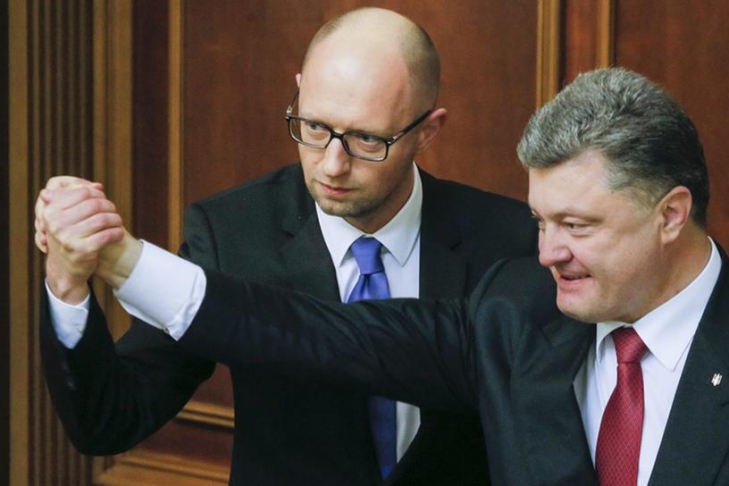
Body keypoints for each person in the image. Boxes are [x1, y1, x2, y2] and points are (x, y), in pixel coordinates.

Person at [39, 66, 729, 486]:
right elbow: (319, 333)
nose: (547, 251)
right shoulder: (520, 306)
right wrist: (120, 261)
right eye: (540, 222)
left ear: (669, 215)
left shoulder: (505, 258)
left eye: (575, 226)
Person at [37, 7, 538, 486]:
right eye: (314, 127)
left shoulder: (512, 241)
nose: (332, 165)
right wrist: (66, 281)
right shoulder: (233, 232)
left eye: (367, 140)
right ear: (299, 94)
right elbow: (110, 420)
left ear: (427, 132)